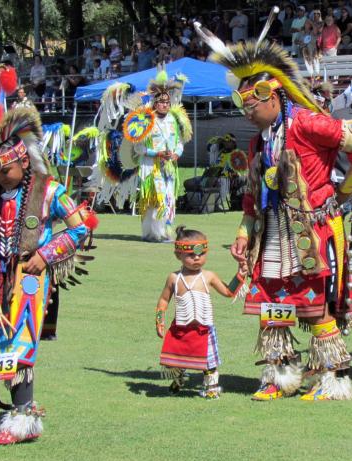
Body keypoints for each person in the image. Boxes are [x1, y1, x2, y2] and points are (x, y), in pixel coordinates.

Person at [196, 13, 352, 401]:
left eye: (252, 103)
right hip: (272, 234)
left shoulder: (307, 124)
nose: (246, 111)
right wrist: (240, 235)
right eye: (241, 104)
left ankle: (335, 376)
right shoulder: (257, 145)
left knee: (316, 305)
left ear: (273, 95)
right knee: (273, 303)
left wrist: (345, 191)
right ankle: (281, 376)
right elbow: (251, 201)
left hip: (313, 229)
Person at [0, 64, 97, 444]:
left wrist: (47, 254)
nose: (1, 177)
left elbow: (81, 227)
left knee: (20, 345)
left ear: (23, 160)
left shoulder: (49, 190)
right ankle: (20, 414)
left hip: (30, 278)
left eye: (7, 170)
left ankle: (21, 418)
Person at [156, 226, 247, 398]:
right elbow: (163, 300)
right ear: (178, 255)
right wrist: (159, 320)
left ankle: (211, 388)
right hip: (180, 329)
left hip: (204, 329)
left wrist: (240, 275)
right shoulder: (174, 278)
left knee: (209, 362)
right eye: (191, 255)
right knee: (175, 360)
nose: (197, 258)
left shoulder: (209, 276)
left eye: (201, 254)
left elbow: (228, 292)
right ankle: (178, 380)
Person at [132, 70, 192, 242]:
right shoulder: (146, 121)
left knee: (169, 198)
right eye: (161, 102)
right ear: (155, 103)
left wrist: (176, 154)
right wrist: (156, 153)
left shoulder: (174, 120)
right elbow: (138, 148)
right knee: (153, 199)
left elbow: (180, 143)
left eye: (167, 101)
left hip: (169, 167)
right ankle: (151, 233)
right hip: (151, 166)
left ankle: (165, 231)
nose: (165, 105)